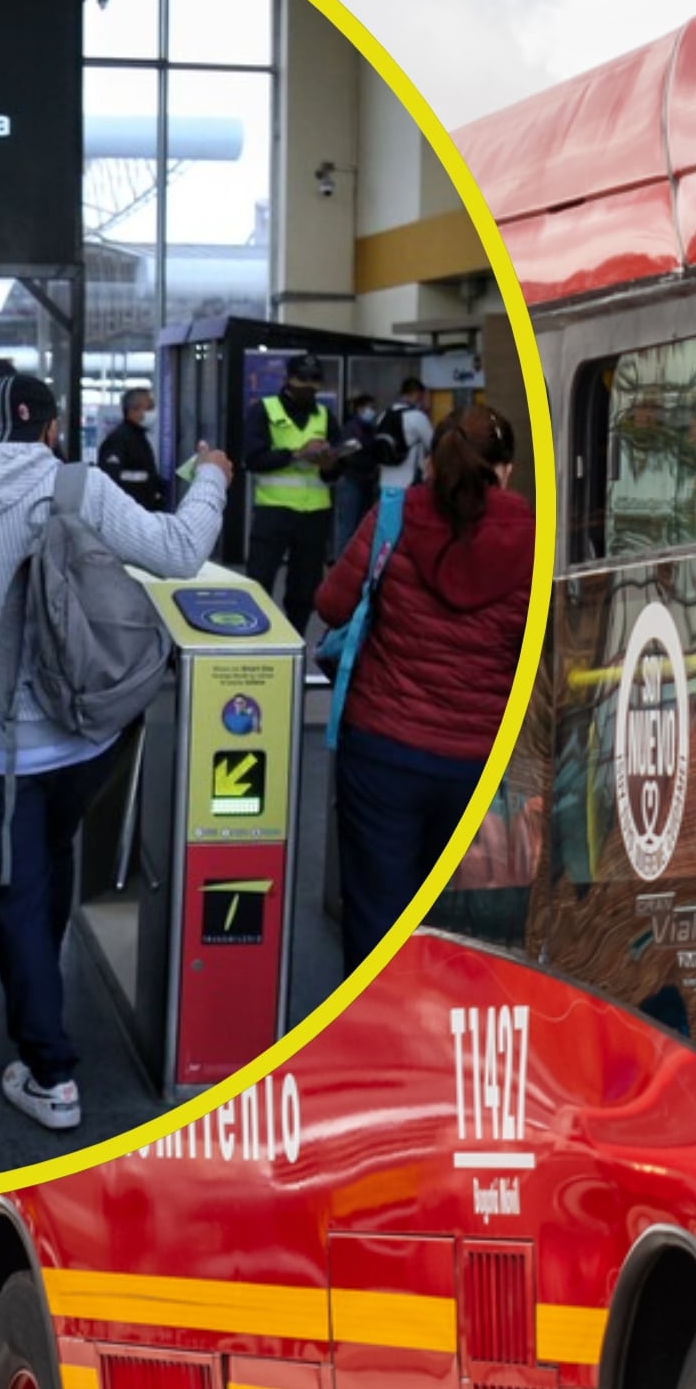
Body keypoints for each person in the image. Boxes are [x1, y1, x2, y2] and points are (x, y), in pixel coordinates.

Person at [0, 374, 232, 1130]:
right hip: (90, 737)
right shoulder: (76, 486)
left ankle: (50, 1073)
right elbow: (181, 551)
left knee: (16, 893)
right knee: (55, 853)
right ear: (52, 429)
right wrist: (212, 478)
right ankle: (46, 1010)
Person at [315, 404, 535, 961]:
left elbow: (331, 604)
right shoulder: (535, 537)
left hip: (381, 754)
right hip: (480, 762)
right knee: (458, 924)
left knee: (376, 917)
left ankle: (372, 1033)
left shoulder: (393, 517)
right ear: (504, 470)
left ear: (432, 463)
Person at [241, 358, 342, 631]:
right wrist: (297, 455)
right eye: (303, 379)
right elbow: (253, 458)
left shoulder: (324, 415)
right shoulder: (264, 411)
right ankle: (253, 636)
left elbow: (336, 469)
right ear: (288, 379)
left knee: (305, 587)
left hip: (315, 514)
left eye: (314, 381)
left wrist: (330, 464)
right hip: (274, 510)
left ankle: (294, 637)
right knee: (260, 580)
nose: (308, 386)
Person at [93, 386, 168, 513]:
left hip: (142, 512)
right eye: (149, 408)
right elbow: (111, 479)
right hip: (127, 514)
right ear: (133, 410)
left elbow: (145, 473)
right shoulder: (119, 440)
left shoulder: (139, 437)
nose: (153, 412)